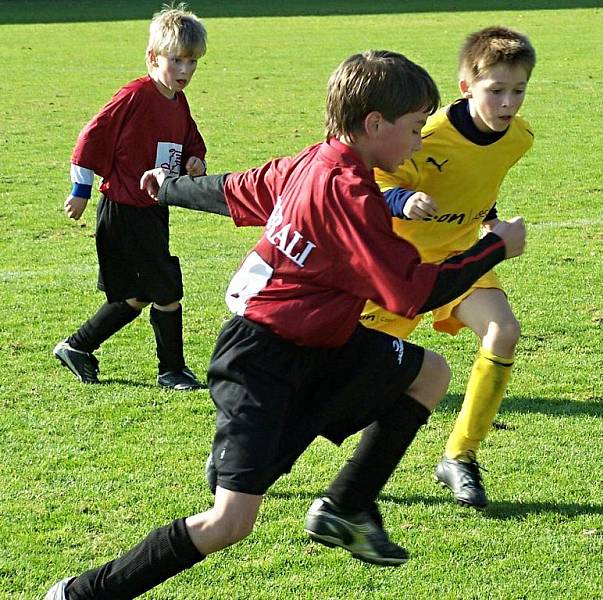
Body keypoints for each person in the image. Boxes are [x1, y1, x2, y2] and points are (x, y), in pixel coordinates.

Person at [44, 50, 526, 599]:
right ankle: (82, 593)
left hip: (323, 342)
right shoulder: (350, 194)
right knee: (229, 522)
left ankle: (346, 506)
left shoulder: (313, 161)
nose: (420, 143)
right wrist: (493, 248)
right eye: (415, 129)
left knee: (429, 373)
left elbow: (233, 189)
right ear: (373, 125)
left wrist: (167, 187)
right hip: (260, 358)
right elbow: (411, 292)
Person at [360, 26, 536, 510]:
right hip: (401, 267)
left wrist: (492, 219)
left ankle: (460, 456)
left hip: (461, 258)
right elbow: (371, 179)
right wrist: (403, 198)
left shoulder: (519, 138)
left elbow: (482, 178)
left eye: (518, 90)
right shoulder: (429, 134)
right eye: (495, 90)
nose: (508, 102)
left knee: (503, 331)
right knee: (352, 380)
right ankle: (261, 453)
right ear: (466, 87)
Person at [52, 3, 208, 390]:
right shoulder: (134, 96)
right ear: (153, 58)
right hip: (124, 210)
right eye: (177, 60)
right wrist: (80, 191)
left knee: (137, 295)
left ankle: (77, 346)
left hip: (152, 209)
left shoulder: (177, 100)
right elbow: (91, 136)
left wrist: (194, 160)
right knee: (167, 290)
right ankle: (171, 370)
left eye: (192, 62)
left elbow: (190, 142)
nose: (186, 70)